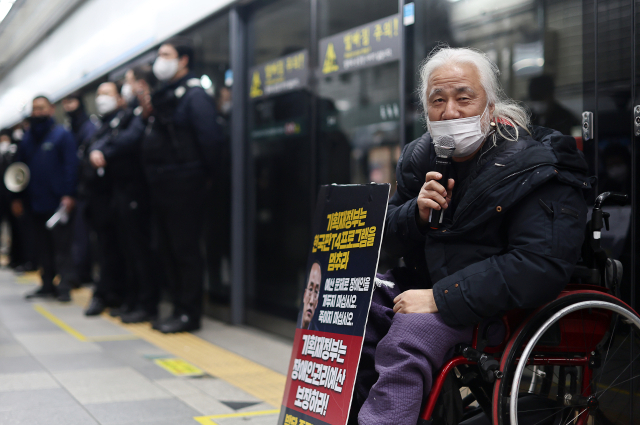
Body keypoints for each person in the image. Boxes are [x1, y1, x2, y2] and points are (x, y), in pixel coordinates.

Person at [351, 47, 590, 424]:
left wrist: (439, 299)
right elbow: (382, 243)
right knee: (352, 310)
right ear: (424, 109)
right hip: (431, 288)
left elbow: (538, 264)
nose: (450, 112)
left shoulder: (535, 167)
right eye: (437, 101)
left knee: (409, 334)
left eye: (464, 98)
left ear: (490, 107)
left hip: (498, 306)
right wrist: (416, 215)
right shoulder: (420, 158)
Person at [141, 37, 224, 333]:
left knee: (185, 250)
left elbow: (211, 142)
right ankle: (177, 308)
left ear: (184, 59)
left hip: (186, 185)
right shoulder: (168, 95)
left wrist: (203, 179)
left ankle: (189, 313)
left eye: (166, 54)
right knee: (167, 249)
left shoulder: (195, 95)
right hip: (164, 185)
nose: (159, 61)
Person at [85, 81, 157, 322]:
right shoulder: (110, 123)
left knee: (139, 250)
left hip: (134, 191)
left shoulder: (133, 118)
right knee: (125, 250)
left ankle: (145, 303)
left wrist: (104, 152)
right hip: (116, 194)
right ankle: (131, 299)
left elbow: (127, 140)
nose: (102, 98)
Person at [13, 96, 78, 301]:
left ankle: (65, 285)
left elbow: (70, 166)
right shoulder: (28, 138)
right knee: (42, 246)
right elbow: (20, 169)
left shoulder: (62, 135)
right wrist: (18, 198)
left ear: (51, 109)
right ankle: (47, 283)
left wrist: (69, 194)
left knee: (61, 246)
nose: (37, 112)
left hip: (57, 203)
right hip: (35, 202)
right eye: (34, 109)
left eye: (41, 108)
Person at [61, 92, 98, 286]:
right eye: (65, 102)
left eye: (72, 101)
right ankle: (77, 270)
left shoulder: (88, 127)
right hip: (74, 188)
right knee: (76, 234)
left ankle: (82, 272)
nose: (68, 106)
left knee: (82, 233)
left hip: (85, 188)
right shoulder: (69, 128)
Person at [299, 262, 321, 329]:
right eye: (310, 289)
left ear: (317, 302)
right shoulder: (291, 318)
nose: (311, 301)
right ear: (304, 295)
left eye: (316, 292)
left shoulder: (317, 336)